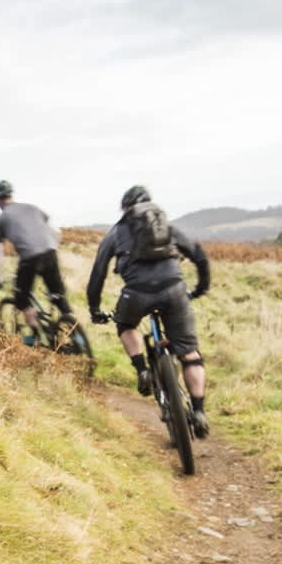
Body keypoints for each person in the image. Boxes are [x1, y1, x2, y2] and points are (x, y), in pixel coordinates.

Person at [88, 184, 213, 437]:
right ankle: (198, 410)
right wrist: (200, 288)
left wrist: (94, 308)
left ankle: (142, 370)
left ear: (125, 209)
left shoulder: (115, 233)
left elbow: (98, 274)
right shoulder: (167, 226)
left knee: (125, 325)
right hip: (175, 290)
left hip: (137, 293)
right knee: (190, 354)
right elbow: (200, 256)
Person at [0, 180, 73, 326]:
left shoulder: (1, 220)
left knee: (22, 300)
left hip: (30, 258)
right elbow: (56, 230)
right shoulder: (32, 208)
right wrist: (52, 247)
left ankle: (35, 338)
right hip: (51, 252)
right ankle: (75, 331)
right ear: (11, 196)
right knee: (59, 297)